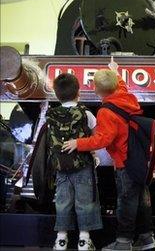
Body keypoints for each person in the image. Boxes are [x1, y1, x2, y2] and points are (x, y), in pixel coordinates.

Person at [62, 59, 155, 251]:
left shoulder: (106, 112)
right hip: (139, 158)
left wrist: (77, 143)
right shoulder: (126, 97)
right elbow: (119, 85)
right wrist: (114, 70)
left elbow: (101, 140)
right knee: (141, 200)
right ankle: (147, 239)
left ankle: (123, 242)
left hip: (125, 162)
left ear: (96, 89)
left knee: (126, 202)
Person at [51, 73, 102, 251]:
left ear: (56, 94)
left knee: (62, 201)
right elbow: (95, 138)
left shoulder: (52, 115)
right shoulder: (86, 113)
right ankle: (84, 240)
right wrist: (94, 155)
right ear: (78, 92)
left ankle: (61, 239)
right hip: (83, 165)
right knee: (85, 201)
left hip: (61, 166)